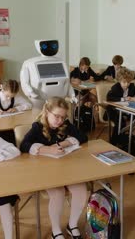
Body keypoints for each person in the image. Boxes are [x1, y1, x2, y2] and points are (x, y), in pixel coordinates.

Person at [19, 97, 88, 239]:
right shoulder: (37, 127)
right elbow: (24, 145)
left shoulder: (65, 124)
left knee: (81, 190)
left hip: (64, 168)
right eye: (56, 116)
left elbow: (83, 136)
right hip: (44, 171)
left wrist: (64, 144)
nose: (59, 120)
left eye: (62, 117)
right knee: (58, 193)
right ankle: (56, 230)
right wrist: (47, 150)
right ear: (47, 112)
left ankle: (72, 225)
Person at [106, 68, 135, 160]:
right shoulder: (115, 87)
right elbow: (109, 97)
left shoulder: (132, 87)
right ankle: (113, 144)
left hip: (127, 111)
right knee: (120, 123)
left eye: (128, 82)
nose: (126, 84)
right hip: (114, 111)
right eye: (124, 82)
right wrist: (123, 99)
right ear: (119, 80)